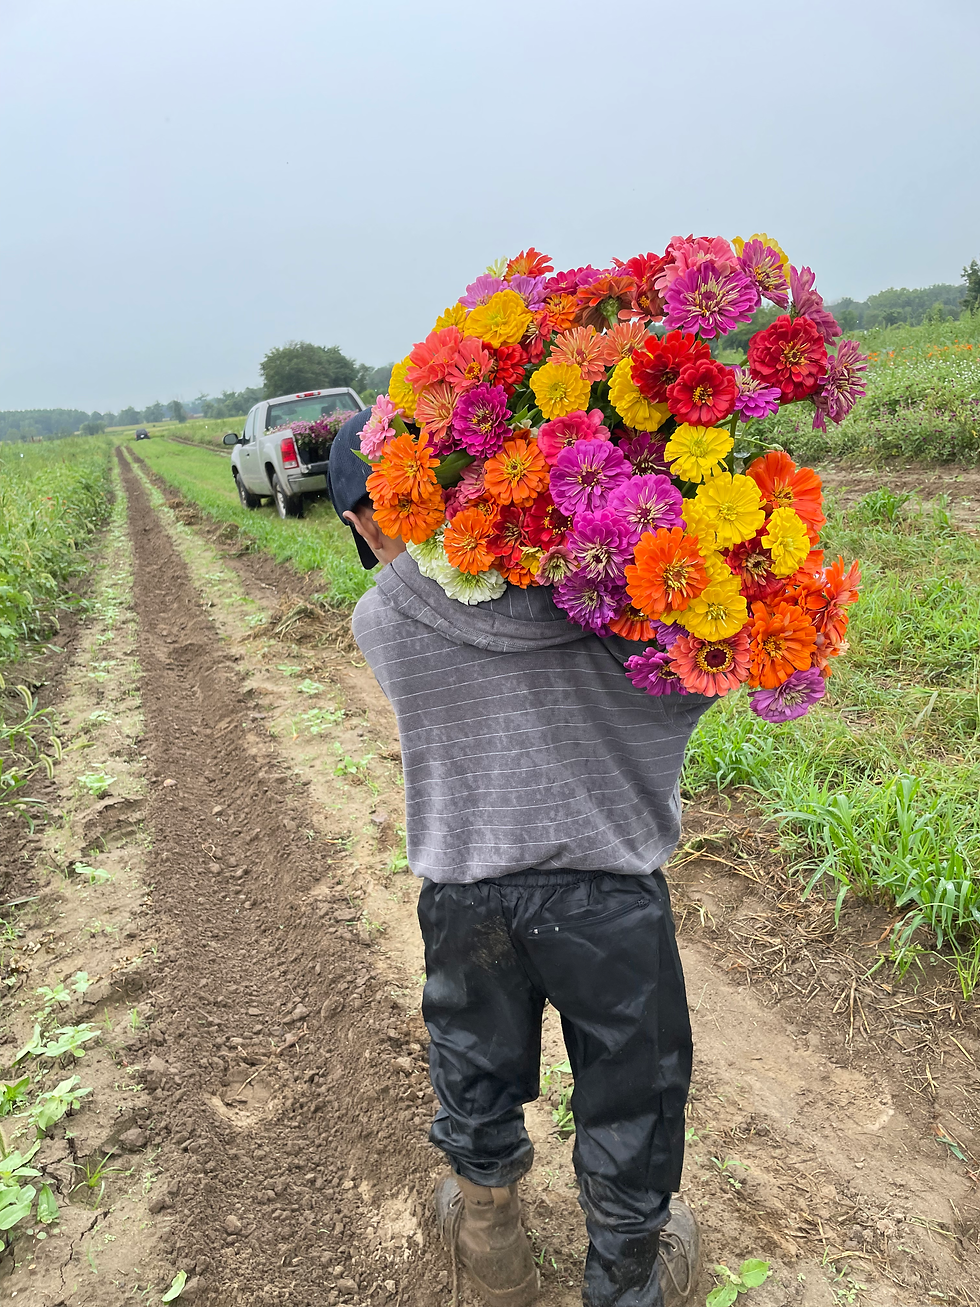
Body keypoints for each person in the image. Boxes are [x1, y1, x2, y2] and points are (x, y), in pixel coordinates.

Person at [328, 410, 707, 1307]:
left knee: (475, 1069)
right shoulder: (608, 597)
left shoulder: (376, 620)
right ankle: (627, 1276)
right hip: (609, 897)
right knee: (631, 1089)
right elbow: (688, 684)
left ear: (373, 518)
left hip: (466, 895)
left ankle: (491, 1248)